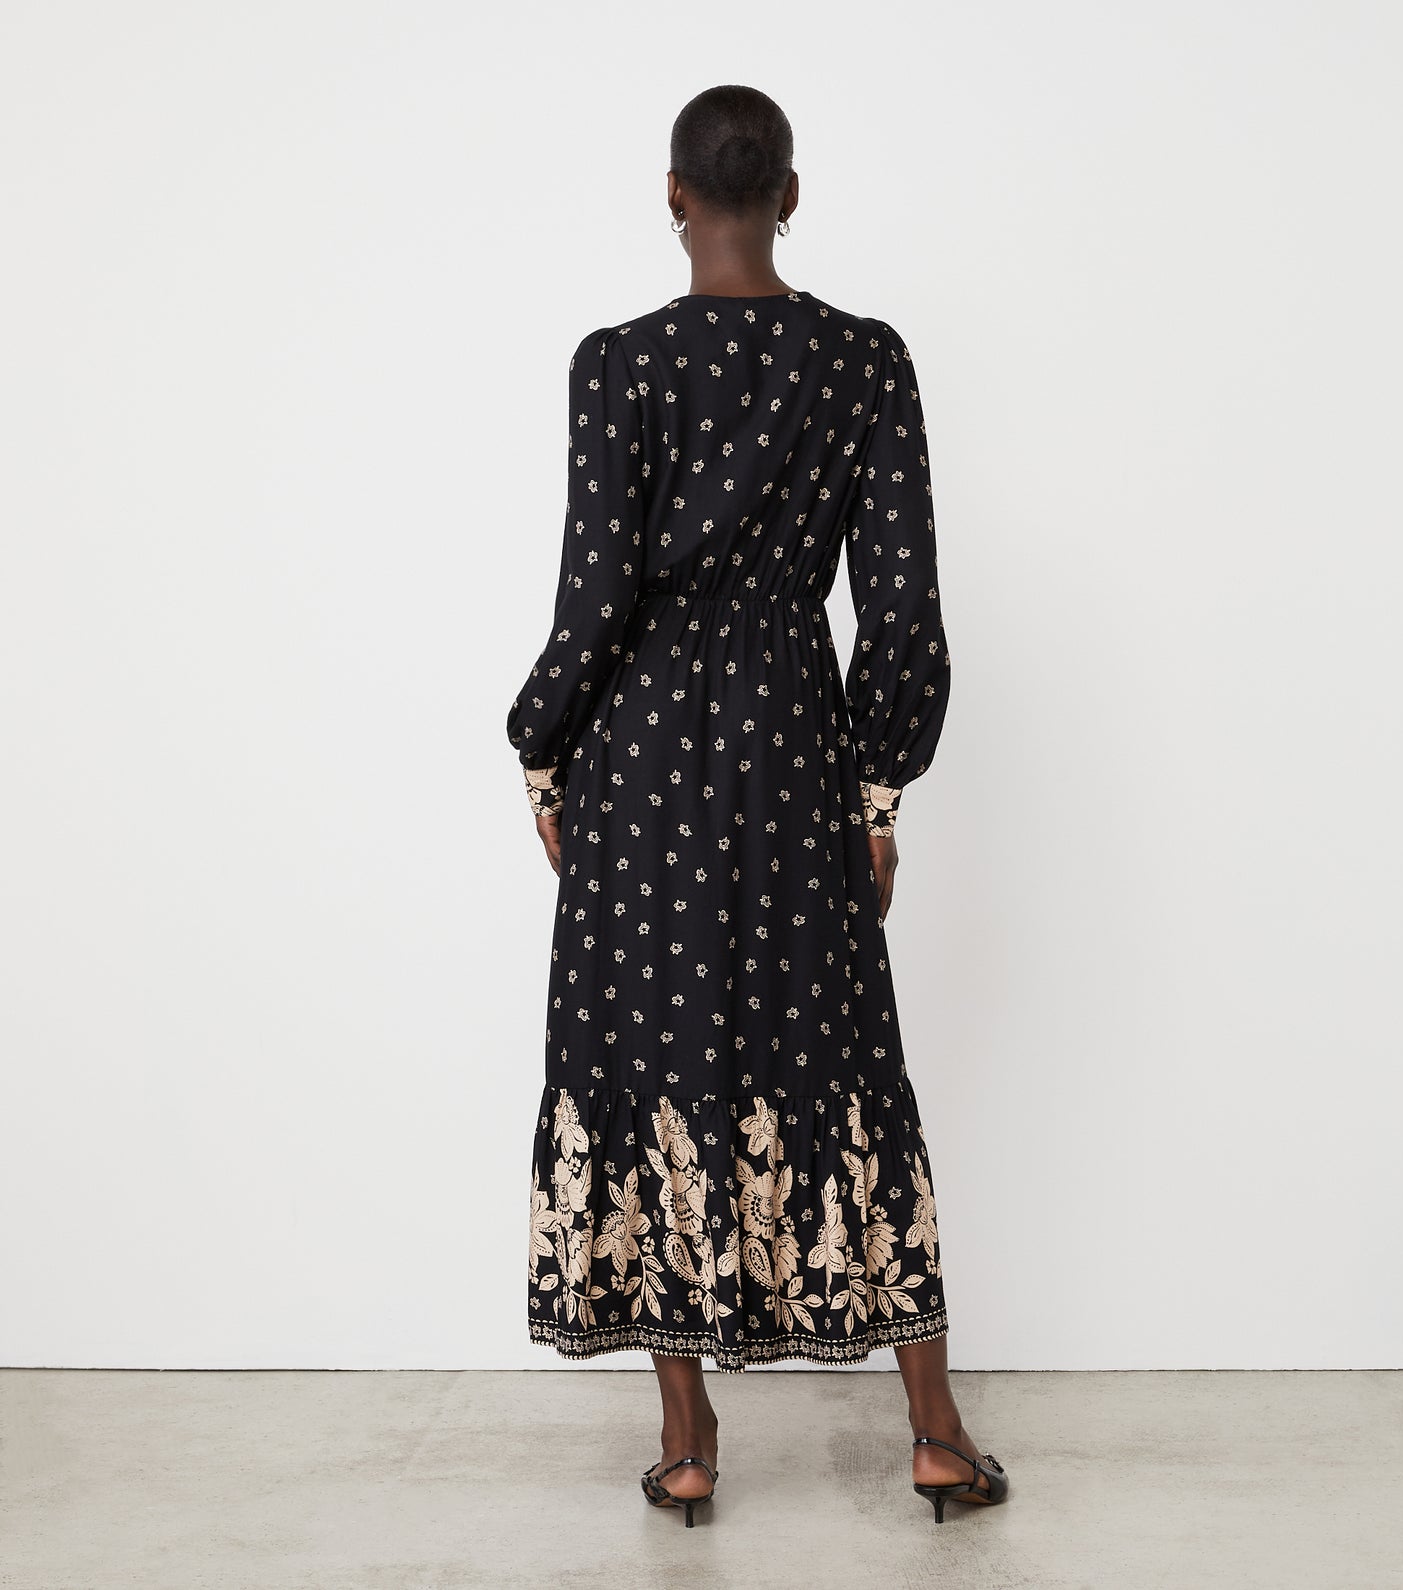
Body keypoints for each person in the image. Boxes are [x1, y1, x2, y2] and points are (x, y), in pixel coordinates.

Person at [505, 83, 1007, 1524]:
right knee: (846, 1059)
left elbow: (595, 594)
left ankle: (687, 1444)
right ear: (789, 195)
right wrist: (877, 790)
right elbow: (900, 608)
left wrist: (543, 750)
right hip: (794, 752)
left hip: (641, 759)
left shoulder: (617, 364)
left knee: (648, 1057)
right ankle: (934, 1432)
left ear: (673, 196)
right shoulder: (864, 361)